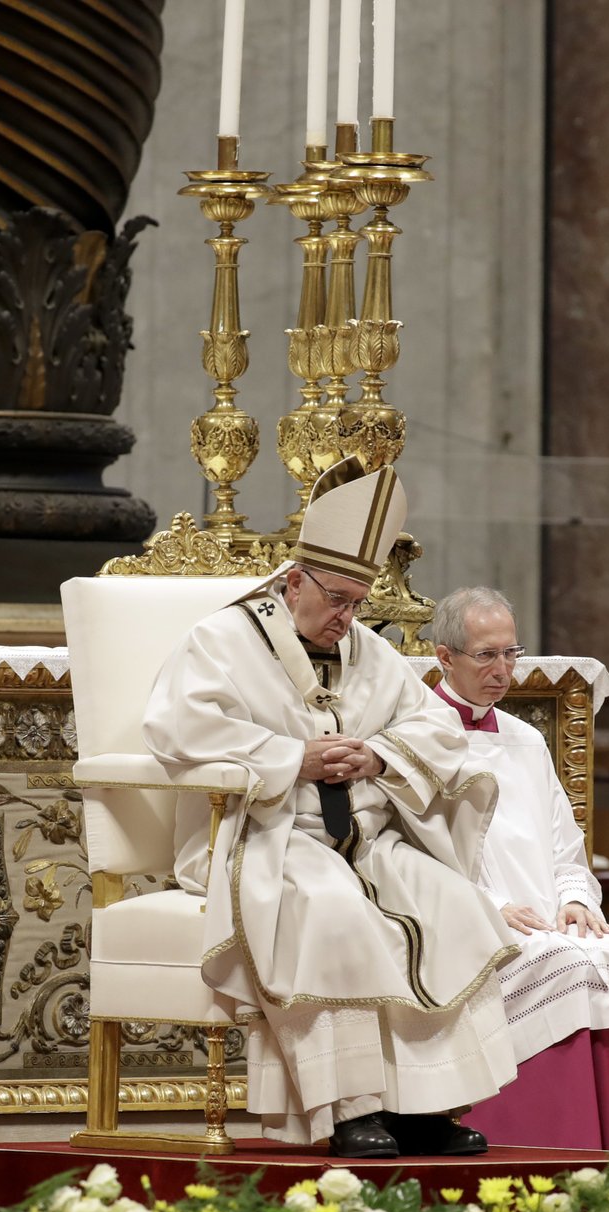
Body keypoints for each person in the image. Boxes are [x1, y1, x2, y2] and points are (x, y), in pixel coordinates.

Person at [144, 458, 518, 1158]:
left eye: (358, 602)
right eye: (338, 599)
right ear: (294, 582)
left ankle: (424, 1105)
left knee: (447, 900)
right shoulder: (220, 642)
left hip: (364, 840)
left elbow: (432, 726)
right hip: (266, 835)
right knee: (334, 909)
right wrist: (295, 760)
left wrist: (380, 757)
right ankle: (347, 1107)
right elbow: (177, 731)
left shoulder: (366, 648)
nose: (347, 617)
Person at [425, 587, 609, 1152]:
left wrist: (575, 898)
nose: (503, 670)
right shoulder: (417, 737)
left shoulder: (526, 740)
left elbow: (564, 843)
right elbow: (416, 855)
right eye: (486, 656)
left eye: (510, 653)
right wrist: (492, 907)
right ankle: (561, 1148)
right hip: (469, 923)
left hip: (546, 918)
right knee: (565, 966)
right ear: (444, 657)